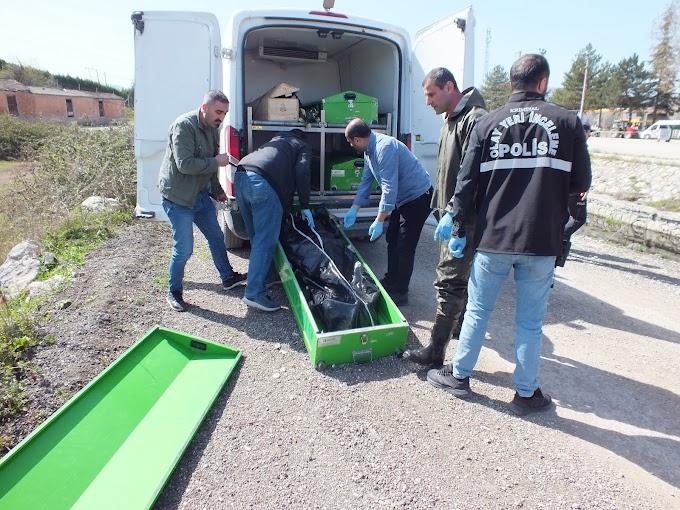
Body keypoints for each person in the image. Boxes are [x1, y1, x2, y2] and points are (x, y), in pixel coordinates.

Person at [426, 54, 592, 416]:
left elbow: (466, 182)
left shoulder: (488, 123)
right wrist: (565, 227)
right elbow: (581, 185)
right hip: (541, 241)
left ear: (512, 82)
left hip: (492, 239)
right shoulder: (567, 121)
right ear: (543, 82)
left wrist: (457, 226)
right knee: (530, 324)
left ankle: (460, 376)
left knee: (478, 313)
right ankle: (526, 395)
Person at [402, 67, 487, 367]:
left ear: (449, 87)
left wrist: (454, 214)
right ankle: (458, 328)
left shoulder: (473, 119)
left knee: (449, 281)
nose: (427, 101)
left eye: (430, 94)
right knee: (457, 281)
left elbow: (471, 176)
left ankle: (435, 352)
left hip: (464, 219)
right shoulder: (450, 120)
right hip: (451, 215)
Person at [159, 90, 247, 312]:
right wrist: (216, 161)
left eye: (225, 113)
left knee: (217, 237)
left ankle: (227, 278)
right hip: (179, 198)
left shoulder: (213, 129)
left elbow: (209, 168)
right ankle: (174, 291)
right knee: (184, 249)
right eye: (218, 111)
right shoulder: (184, 126)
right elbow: (185, 164)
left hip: (200, 196)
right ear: (204, 107)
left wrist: (217, 190)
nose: (222, 117)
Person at [343, 118, 433, 306]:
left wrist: (379, 219)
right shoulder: (369, 152)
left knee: (404, 246)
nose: (351, 146)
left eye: (350, 142)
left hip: (418, 197)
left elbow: (389, 187)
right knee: (392, 238)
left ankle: (401, 292)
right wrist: (354, 208)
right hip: (403, 199)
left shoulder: (385, 147)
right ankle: (391, 280)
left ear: (358, 139)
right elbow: (366, 181)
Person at [235, 129, 314, 312]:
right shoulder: (301, 145)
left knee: (257, 238)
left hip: (240, 175)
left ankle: (267, 277)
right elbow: (303, 171)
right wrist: (304, 205)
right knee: (266, 240)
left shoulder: (275, 143)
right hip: (261, 183)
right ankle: (254, 293)